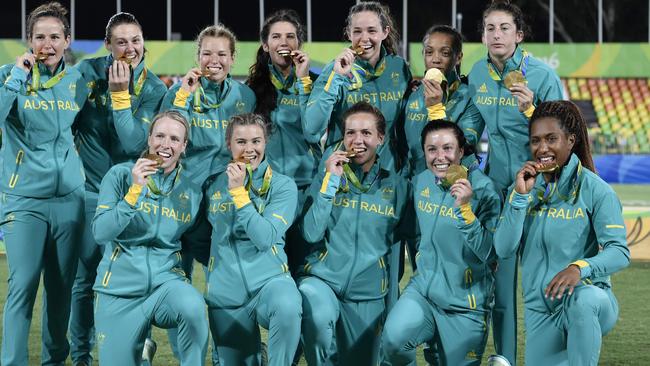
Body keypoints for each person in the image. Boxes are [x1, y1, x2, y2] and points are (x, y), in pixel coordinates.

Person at [458, 1, 564, 362]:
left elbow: (564, 136)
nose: (496, 34)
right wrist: (463, 157)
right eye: (490, 28)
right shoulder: (477, 73)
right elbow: (471, 126)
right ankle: (504, 358)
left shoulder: (542, 76)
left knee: (540, 283)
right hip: (497, 192)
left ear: (519, 35)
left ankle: (548, 356)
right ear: (483, 34)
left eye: (504, 28)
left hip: (539, 191)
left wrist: (533, 111)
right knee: (501, 286)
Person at [494, 100, 630, 365]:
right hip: (541, 311)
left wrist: (579, 268)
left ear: (570, 140)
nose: (542, 148)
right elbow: (503, 248)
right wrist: (519, 198)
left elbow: (619, 252)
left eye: (551, 139)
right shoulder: (523, 188)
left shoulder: (595, 190)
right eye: (535, 140)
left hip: (589, 300)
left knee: (583, 299)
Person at [70, 12, 168, 365]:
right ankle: (80, 356)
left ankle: (137, 348)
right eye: (121, 41)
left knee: (133, 282)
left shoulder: (157, 90)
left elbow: (132, 145)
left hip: (135, 194)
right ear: (108, 45)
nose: (130, 48)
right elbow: (63, 122)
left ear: (144, 43)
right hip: (91, 193)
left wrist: (119, 95)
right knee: (84, 282)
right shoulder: (85, 73)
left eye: (136, 40)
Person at [0, 3, 88, 364]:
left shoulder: (77, 83)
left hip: (70, 201)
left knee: (61, 292)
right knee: (22, 287)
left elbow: (87, 135)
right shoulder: (9, 74)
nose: (47, 43)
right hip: (24, 201)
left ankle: (55, 361)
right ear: (29, 41)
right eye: (40, 36)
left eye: (55, 36)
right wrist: (17, 77)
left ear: (67, 41)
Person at [299, 102, 412, 365]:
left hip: (368, 294)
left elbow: (410, 241)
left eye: (366, 133)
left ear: (380, 139)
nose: (357, 140)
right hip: (323, 281)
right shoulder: (328, 174)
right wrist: (329, 183)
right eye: (350, 133)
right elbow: (311, 232)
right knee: (316, 316)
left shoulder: (397, 187)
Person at [92, 110, 208, 366]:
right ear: (149, 139)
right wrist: (134, 192)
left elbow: (201, 245)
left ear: (184, 146)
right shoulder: (120, 175)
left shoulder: (191, 191)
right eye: (160, 136)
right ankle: (141, 350)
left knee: (193, 307)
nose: (166, 145)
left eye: (175, 139)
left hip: (165, 286)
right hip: (119, 290)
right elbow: (101, 232)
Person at [381, 120, 501, 365]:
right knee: (392, 340)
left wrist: (465, 210)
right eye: (431, 149)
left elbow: (491, 253)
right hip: (423, 293)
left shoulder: (485, 190)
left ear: (461, 151)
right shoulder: (422, 181)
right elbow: (414, 231)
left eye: (447, 148)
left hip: (465, 305)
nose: (440, 157)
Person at [196, 113, 302, 366]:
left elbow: (265, 238)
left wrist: (238, 194)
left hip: (270, 283)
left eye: (256, 141)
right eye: (241, 141)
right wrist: (217, 269)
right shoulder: (211, 185)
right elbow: (198, 238)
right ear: (228, 144)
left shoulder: (283, 186)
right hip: (226, 293)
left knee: (287, 307)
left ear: (265, 143)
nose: (249, 149)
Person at [246, 9, 319, 275]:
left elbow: (315, 131)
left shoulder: (316, 85)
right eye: (276, 37)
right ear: (266, 45)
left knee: (304, 270)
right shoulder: (252, 90)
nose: (283, 42)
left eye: (290, 36)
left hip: (307, 191)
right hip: (267, 193)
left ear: (299, 43)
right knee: (268, 272)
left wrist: (304, 82)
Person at [304, 1, 410, 172]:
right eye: (357, 31)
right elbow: (312, 130)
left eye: (372, 30)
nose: (364, 38)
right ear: (348, 34)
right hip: (342, 174)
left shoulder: (399, 68)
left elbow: (403, 128)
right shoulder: (334, 70)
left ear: (385, 32)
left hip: (386, 177)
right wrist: (337, 77)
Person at [162, 24, 256, 186]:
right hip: (185, 185)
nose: (214, 60)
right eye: (207, 54)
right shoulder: (178, 91)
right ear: (198, 57)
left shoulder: (246, 95)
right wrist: (184, 97)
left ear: (232, 58)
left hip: (227, 186)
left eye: (222, 54)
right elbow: (166, 142)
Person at [404, 25, 480, 176]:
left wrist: (436, 109)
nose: (435, 59)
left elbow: (464, 148)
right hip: (414, 187)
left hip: (451, 188)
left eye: (444, 53)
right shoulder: (412, 93)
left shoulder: (471, 98)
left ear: (458, 57)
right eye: (429, 52)